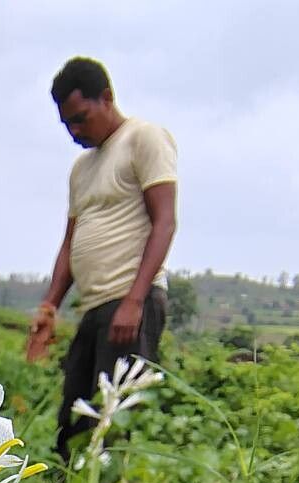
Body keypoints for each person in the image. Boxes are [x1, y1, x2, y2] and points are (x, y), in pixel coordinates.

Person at [26, 57, 177, 457]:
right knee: (74, 417)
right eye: (67, 124)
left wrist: (134, 301)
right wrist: (48, 308)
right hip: (94, 307)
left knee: (111, 423)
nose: (75, 132)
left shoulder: (144, 138)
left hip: (129, 302)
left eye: (81, 119)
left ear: (106, 98)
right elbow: (70, 243)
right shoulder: (82, 168)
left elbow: (164, 222)